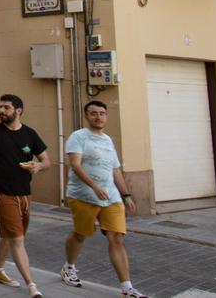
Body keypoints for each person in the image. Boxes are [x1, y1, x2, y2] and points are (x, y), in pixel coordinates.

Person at [60, 100, 146, 298]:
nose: (98, 117)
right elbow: (75, 165)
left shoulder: (108, 140)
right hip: (83, 196)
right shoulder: (78, 137)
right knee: (80, 234)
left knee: (116, 237)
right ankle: (69, 267)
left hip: (111, 197)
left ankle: (127, 288)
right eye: (93, 113)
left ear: (106, 116)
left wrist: (126, 195)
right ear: (86, 116)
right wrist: (94, 186)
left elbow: (115, 170)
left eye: (102, 113)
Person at [0, 93, 50, 298]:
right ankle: (32, 285)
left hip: (25, 194)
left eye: (6, 107)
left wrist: (38, 166)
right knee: (17, 239)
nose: (2, 111)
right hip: (3, 194)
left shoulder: (30, 134)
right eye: (0, 107)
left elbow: (46, 161)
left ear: (18, 111)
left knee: (10, 235)